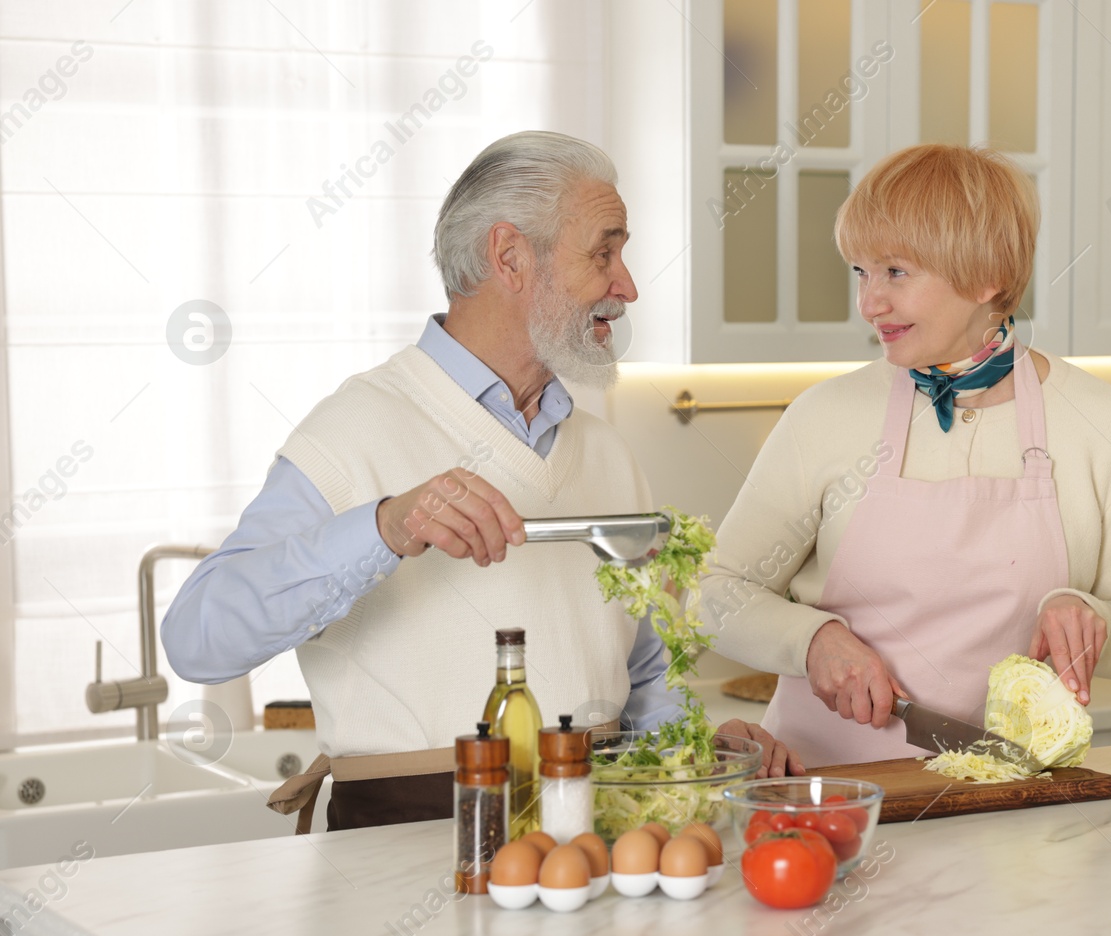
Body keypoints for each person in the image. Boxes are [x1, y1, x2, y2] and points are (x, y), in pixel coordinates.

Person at [163, 131, 792, 832]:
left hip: (596, 833)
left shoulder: (608, 453)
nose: (628, 285)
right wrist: (385, 528)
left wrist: (697, 750)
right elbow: (198, 637)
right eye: (604, 252)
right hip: (409, 837)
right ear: (510, 257)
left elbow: (642, 677)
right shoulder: (352, 431)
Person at [698, 144, 1111, 768]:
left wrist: (1088, 616)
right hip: (836, 803)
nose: (870, 303)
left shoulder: (1106, 424)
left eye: (895, 272)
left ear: (987, 276)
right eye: (861, 273)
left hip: (1011, 802)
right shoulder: (825, 415)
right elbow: (716, 594)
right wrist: (812, 639)